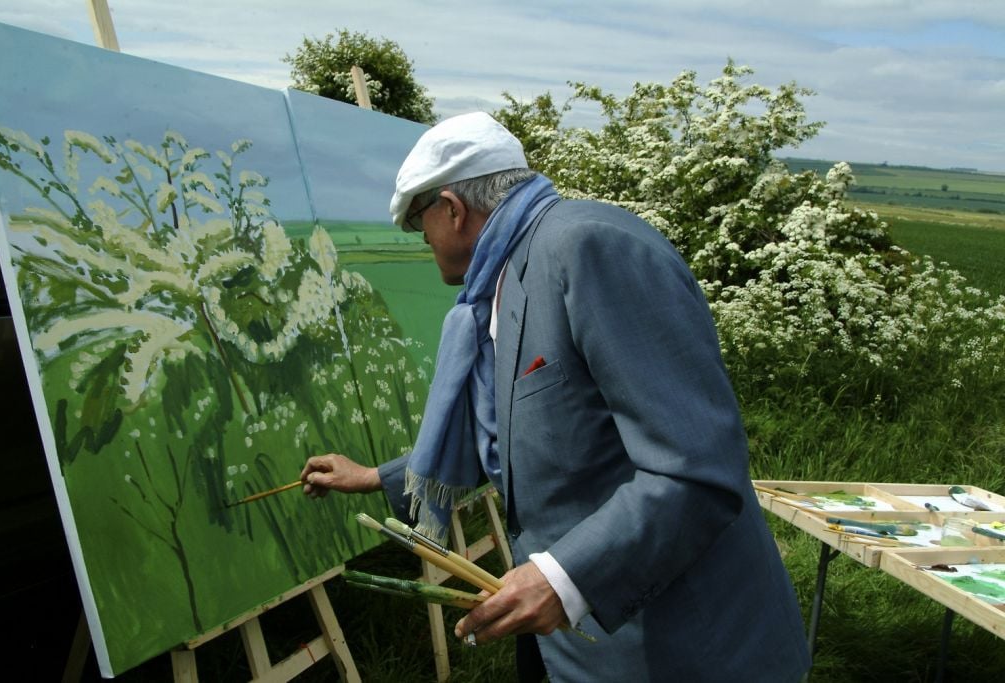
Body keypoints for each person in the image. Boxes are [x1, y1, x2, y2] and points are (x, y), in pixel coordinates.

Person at [302, 112, 811, 681]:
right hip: (578, 646)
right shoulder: (506, 279)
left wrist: (564, 578)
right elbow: (520, 434)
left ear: (452, 207)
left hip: (677, 647)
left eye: (417, 221)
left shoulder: (589, 249)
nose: (422, 238)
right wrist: (373, 476)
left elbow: (695, 468)